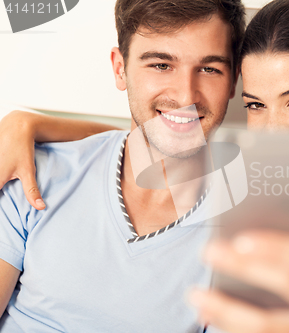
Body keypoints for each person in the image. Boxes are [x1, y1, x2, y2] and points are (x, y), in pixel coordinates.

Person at [0, 0, 289, 332]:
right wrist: (32, 124)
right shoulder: (270, 179)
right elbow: (153, 139)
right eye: (256, 105)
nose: (274, 129)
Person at [0, 0, 245, 331]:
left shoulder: (246, 237)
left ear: (233, 83)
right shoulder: (32, 172)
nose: (186, 95)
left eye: (209, 69)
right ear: (120, 69)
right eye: (161, 65)